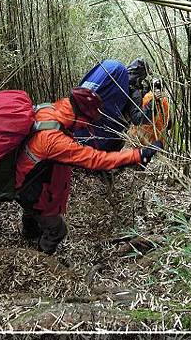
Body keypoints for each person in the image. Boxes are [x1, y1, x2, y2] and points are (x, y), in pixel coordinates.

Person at [15, 86, 160, 254]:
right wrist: (138, 155)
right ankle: (41, 259)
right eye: (88, 120)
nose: (88, 125)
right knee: (58, 230)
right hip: (33, 190)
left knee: (31, 211)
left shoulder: (50, 109)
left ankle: (28, 232)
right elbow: (96, 159)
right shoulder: (54, 140)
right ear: (80, 115)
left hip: (24, 179)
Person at [75, 58, 150, 152]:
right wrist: (151, 105)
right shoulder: (134, 91)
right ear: (142, 75)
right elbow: (137, 119)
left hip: (87, 128)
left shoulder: (118, 79)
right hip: (111, 135)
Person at [130, 78, 172, 147]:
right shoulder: (165, 101)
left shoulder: (146, 98)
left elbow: (138, 119)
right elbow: (169, 124)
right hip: (157, 140)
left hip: (143, 139)